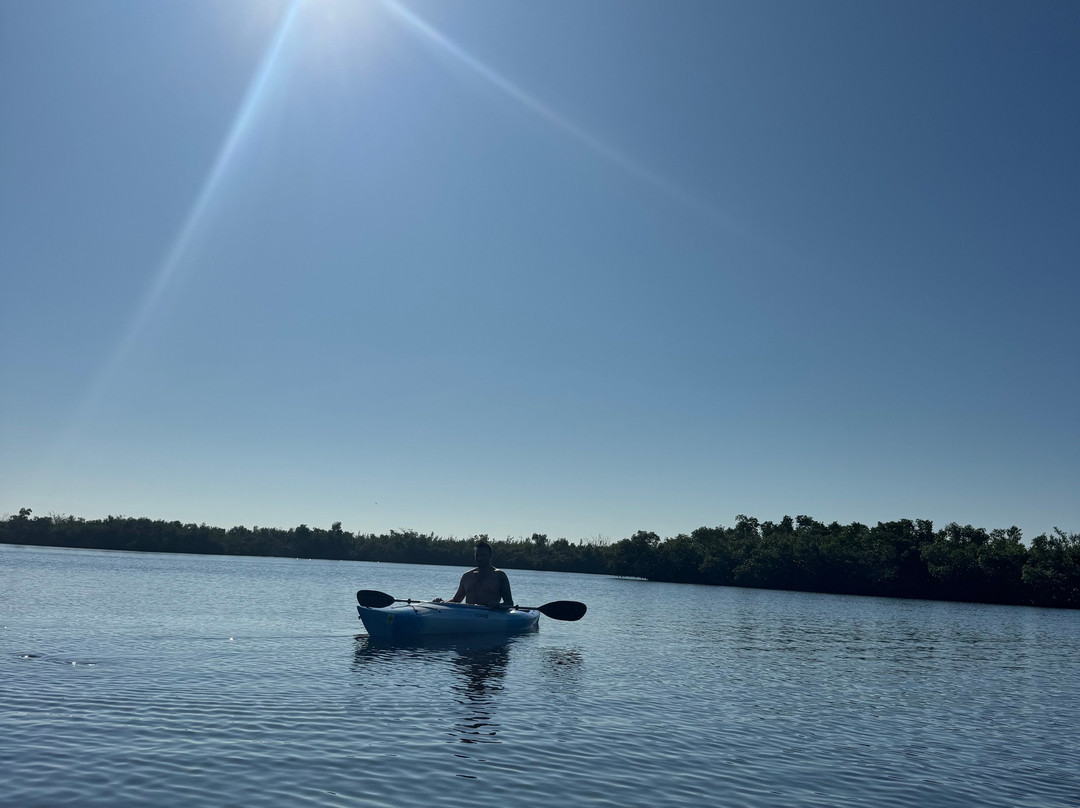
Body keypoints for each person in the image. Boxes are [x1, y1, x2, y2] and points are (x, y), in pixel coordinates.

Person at [437, 540, 513, 608]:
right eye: (477, 555)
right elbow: (456, 600)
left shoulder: (500, 576)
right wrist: (442, 603)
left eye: (483, 555)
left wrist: (498, 606)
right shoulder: (467, 576)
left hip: (489, 617)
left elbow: (509, 603)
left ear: (490, 556)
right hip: (470, 617)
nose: (479, 558)